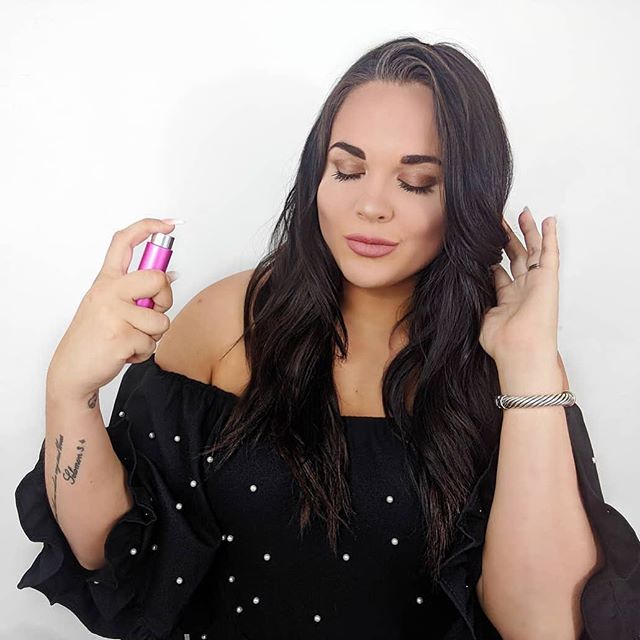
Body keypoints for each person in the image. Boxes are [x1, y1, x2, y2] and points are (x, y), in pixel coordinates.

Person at [15, 36, 640, 639]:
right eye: (348, 170)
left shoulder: (513, 364)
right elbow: (108, 552)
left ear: (467, 197)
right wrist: (69, 391)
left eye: (416, 182)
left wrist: (528, 363)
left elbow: (542, 627)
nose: (371, 205)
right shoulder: (227, 321)